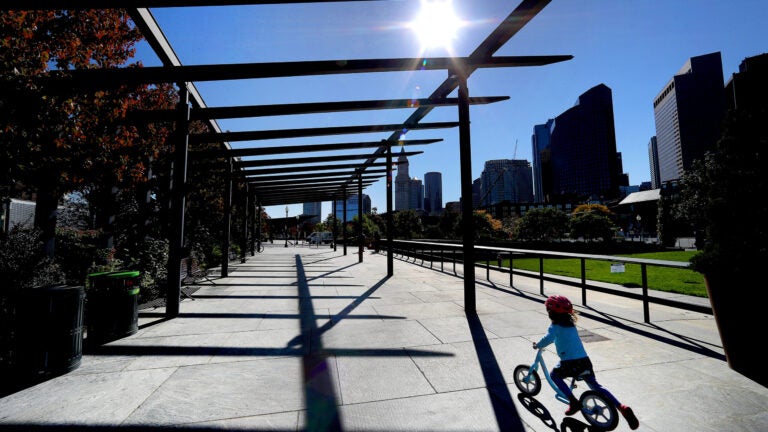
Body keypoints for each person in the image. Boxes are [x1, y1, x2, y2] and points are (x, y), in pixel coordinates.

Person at [533, 295, 639, 430]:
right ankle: (621, 407)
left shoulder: (555, 327)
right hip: (584, 361)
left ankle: (573, 401)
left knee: (554, 375)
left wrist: (537, 345)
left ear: (551, 312)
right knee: (596, 386)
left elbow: (547, 339)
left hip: (570, 363)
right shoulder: (571, 324)